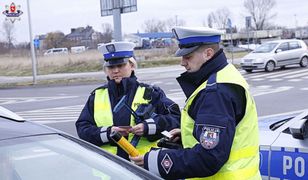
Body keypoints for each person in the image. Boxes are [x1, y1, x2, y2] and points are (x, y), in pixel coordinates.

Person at [130, 27, 261, 179]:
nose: (182, 63)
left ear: (208, 54)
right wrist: (190, 135)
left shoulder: (215, 92)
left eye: (188, 56)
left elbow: (209, 158)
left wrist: (157, 161)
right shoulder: (224, 75)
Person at [76, 41, 180, 161]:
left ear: (132, 65)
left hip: (143, 165)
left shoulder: (151, 93)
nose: (115, 71)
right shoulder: (96, 96)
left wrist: (147, 127)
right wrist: (109, 132)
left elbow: (175, 119)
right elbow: (83, 129)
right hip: (108, 167)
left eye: (120, 65)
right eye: (111, 67)